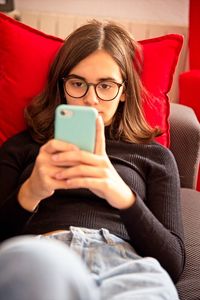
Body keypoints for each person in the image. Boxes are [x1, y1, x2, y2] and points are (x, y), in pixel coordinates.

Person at [0, 20, 185, 300]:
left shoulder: (155, 156)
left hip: (124, 265)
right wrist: (31, 192)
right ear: (62, 86)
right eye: (78, 84)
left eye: (106, 86)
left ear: (124, 91)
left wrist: (120, 193)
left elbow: (172, 263)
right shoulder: (22, 147)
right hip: (44, 256)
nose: (90, 99)